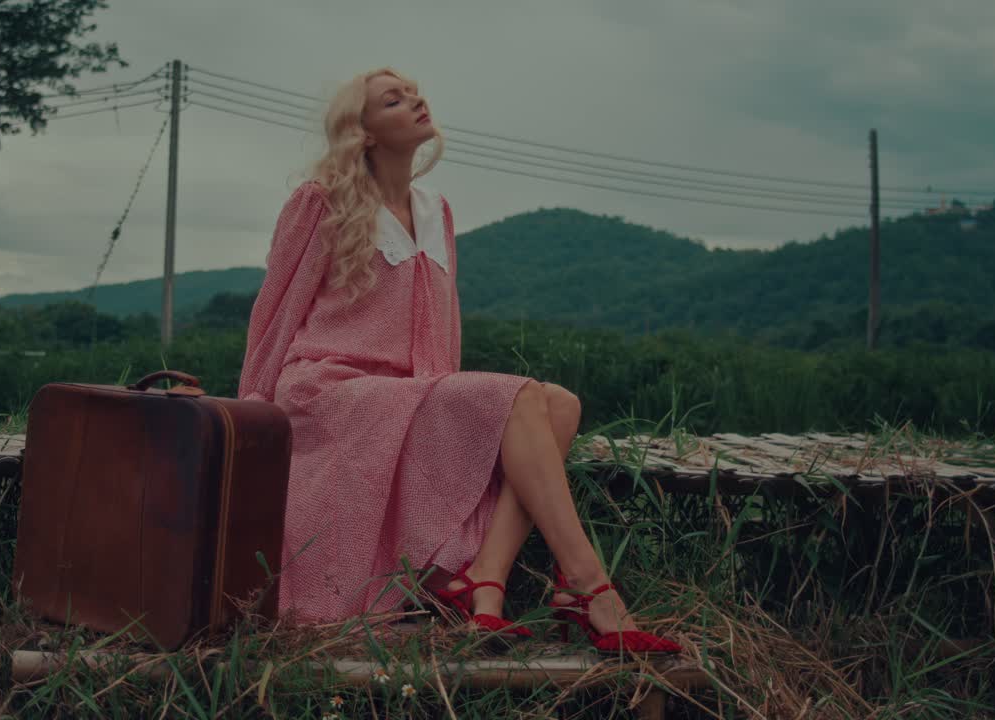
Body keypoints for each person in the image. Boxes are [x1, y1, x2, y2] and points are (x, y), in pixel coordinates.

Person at [237, 67, 680, 654]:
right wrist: (252, 417)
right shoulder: (320, 202)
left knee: (560, 405)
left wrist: (448, 400)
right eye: (392, 101)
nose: (415, 100)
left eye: (413, 92)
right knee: (517, 396)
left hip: (408, 392)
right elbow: (274, 312)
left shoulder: (435, 209)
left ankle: (485, 582)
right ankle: (590, 585)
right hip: (328, 389)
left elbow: (441, 326)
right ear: (363, 131)